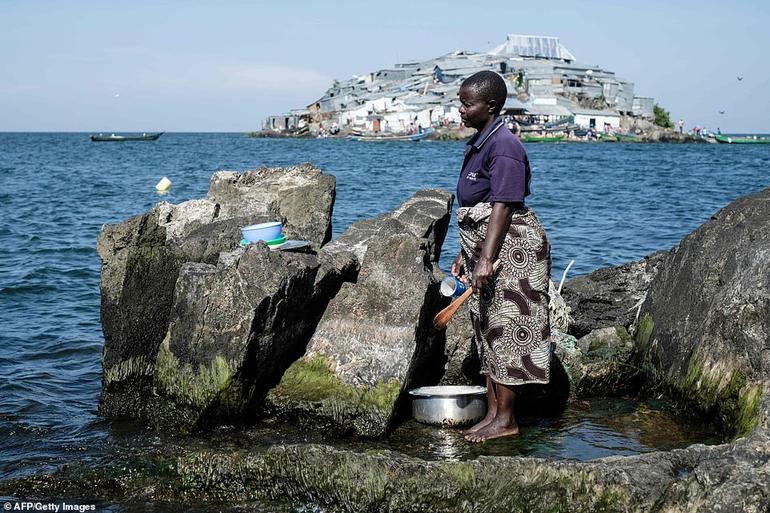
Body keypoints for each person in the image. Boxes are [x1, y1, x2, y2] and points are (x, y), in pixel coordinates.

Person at [451, 71, 552, 443]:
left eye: (467, 103)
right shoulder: (482, 141)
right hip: (488, 248)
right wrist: (466, 254)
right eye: (460, 102)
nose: (460, 110)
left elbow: (503, 205)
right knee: (487, 330)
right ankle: (493, 414)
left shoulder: (505, 145)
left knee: (508, 329)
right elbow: (473, 203)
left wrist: (486, 258)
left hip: (512, 249)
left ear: (490, 106)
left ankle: (507, 420)